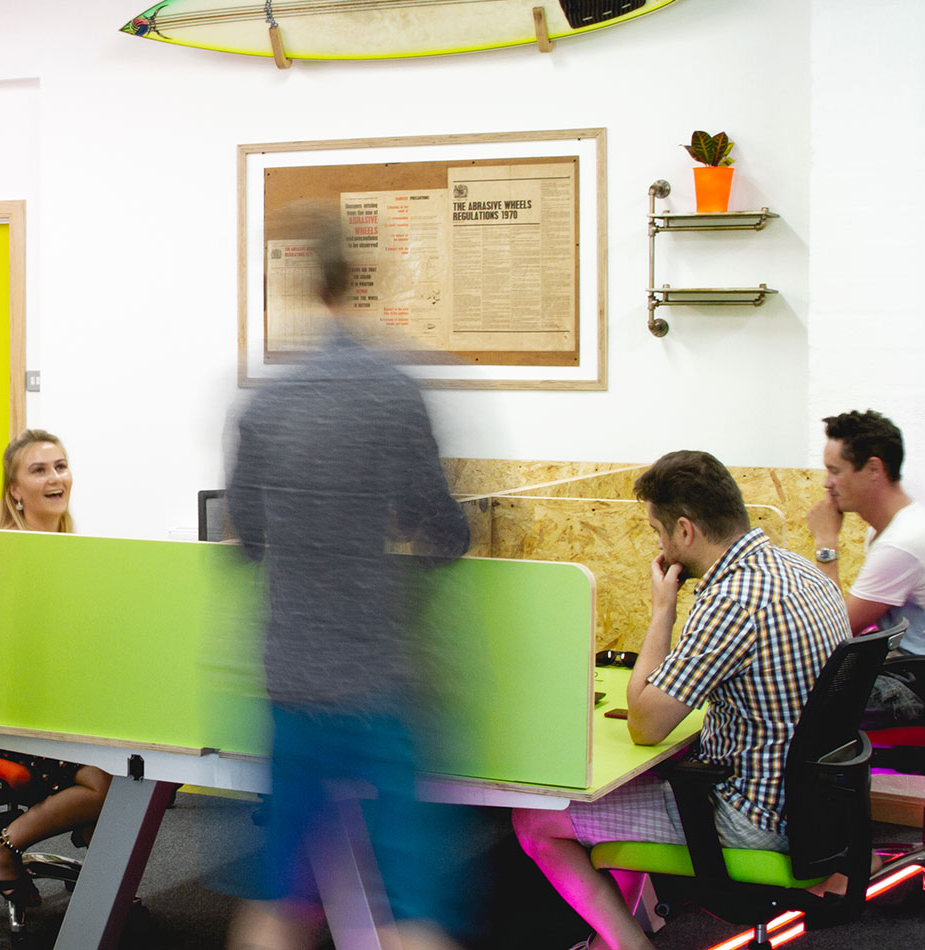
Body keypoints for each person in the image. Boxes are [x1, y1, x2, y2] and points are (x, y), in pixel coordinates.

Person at [224, 211, 472, 950]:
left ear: (301, 285)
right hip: (377, 678)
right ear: (361, 280)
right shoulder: (393, 390)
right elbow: (445, 532)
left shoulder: (265, 402)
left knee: (281, 893)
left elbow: (246, 539)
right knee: (408, 902)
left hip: (289, 679)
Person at [514, 450, 850, 950]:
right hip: (815, 808)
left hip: (751, 817)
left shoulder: (732, 599)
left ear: (686, 531)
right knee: (633, 786)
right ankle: (621, 934)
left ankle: (627, 943)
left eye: (658, 531)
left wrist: (662, 611)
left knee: (533, 821)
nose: (659, 544)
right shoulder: (799, 571)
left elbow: (645, 723)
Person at [0, 428, 110, 908]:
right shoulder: (3, 552)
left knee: (145, 771)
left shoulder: (73, 550)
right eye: (39, 469)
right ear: (15, 491)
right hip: (7, 711)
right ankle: (2, 847)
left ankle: (106, 892)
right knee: (105, 780)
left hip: (62, 703)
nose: (55, 478)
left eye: (61, 466)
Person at [805, 409, 925, 655]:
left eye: (835, 471)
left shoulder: (903, 542)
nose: (826, 483)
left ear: (874, 469)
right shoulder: (889, 529)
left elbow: (834, 633)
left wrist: (826, 543)